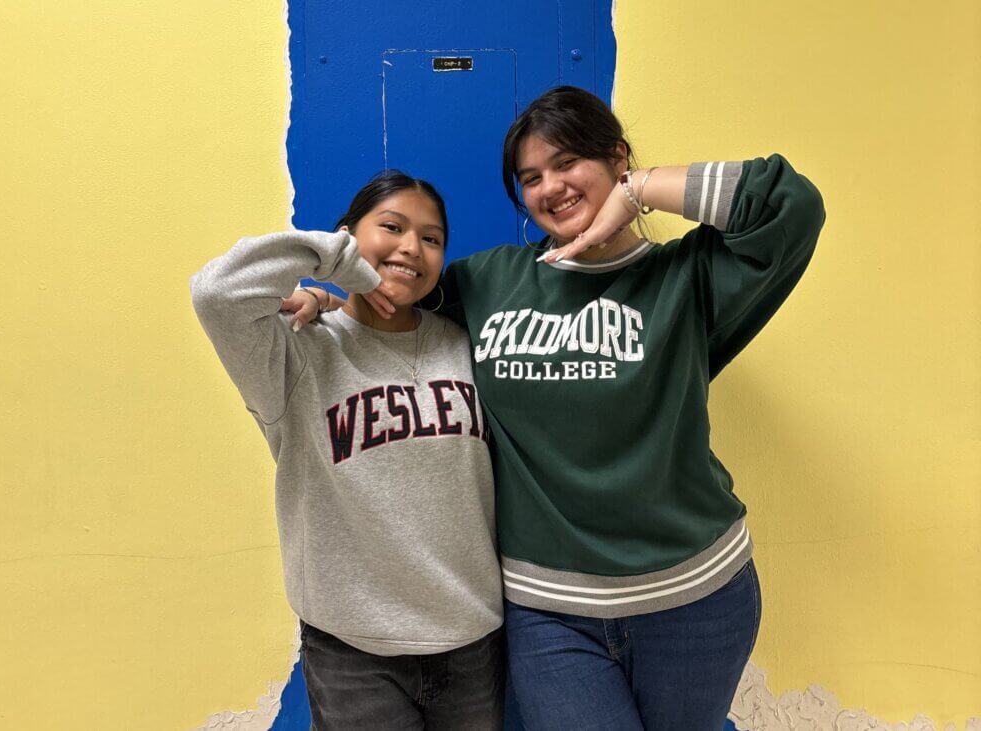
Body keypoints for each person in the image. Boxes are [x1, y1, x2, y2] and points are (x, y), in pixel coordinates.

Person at [296, 86, 826, 730]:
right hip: (550, 610)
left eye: (569, 161)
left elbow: (790, 203)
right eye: (530, 178)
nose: (551, 187)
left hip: (697, 600)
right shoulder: (490, 281)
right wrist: (324, 301)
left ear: (616, 157)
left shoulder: (690, 277)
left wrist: (639, 191)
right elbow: (394, 296)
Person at [190, 172, 505, 730]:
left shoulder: (465, 342)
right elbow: (217, 291)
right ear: (348, 236)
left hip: (471, 641)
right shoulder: (296, 352)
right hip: (353, 653)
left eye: (432, 238)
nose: (412, 246)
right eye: (392, 227)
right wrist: (329, 267)